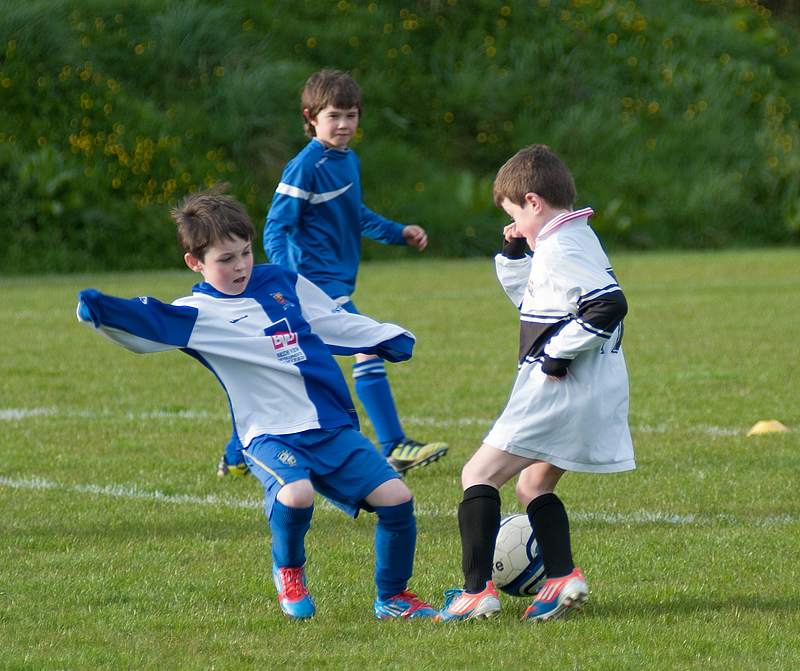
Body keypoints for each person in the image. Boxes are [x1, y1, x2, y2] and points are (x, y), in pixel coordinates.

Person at [76, 184, 437, 621]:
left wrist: (382, 337)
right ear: (195, 262)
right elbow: (149, 320)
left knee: (397, 498)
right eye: (225, 260)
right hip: (266, 434)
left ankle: (394, 598)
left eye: (245, 252)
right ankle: (289, 570)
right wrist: (99, 309)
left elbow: (329, 320)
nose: (240, 265)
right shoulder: (197, 313)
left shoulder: (282, 281)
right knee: (297, 493)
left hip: (329, 425)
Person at [434, 145, 635, 623]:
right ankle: (562, 577)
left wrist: (555, 355)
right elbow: (540, 300)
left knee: (477, 475)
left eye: (514, 215)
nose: (515, 225)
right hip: (599, 388)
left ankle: (476, 592)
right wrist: (514, 253)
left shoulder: (561, 247)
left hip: (560, 388)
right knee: (532, 483)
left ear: (533, 201)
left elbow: (608, 304)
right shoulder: (576, 238)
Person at [256, 68, 448, 477]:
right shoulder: (305, 166)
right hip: (314, 282)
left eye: (352, 115)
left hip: (335, 280)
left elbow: (354, 213)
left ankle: (239, 453)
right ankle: (395, 444)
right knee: (367, 346)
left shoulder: (348, 161)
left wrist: (398, 233)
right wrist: (288, 282)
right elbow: (277, 226)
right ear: (311, 117)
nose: (344, 124)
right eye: (334, 116)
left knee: (292, 368)